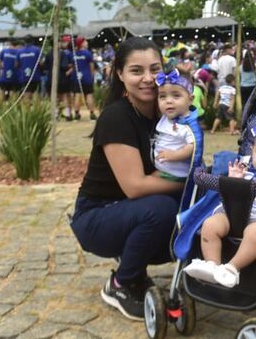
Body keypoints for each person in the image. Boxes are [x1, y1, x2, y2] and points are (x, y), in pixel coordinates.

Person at [70, 37, 183, 321]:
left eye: (155, 69)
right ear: (119, 74)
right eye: (136, 71)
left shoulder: (166, 115)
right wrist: (189, 180)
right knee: (164, 209)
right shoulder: (116, 117)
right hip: (98, 214)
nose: (148, 79)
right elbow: (135, 187)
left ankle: (141, 265)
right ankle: (120, 284)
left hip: (131, 210)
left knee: (198, 207)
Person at [184, 121, 256, 288]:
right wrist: (233, 180)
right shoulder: (244, 172)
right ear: (252, 152)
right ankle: (212, 265)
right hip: (232, 214)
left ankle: (232, 268)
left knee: (255, 234)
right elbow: (228, 195)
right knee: (210, 225)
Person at [152, 70, 202, 183]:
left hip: (177, 174)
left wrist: (174, 155)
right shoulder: (166, 117)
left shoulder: (188, 125)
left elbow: (192, 146)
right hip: (163, 168)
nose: (168, 101)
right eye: (162, 97)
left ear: (190, 99)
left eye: (176, 96)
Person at [71, 37, 97, 120]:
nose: (86, 42)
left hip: (77, 78)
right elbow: (91, 67)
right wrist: (92, 77)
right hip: (87, 78)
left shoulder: (74, 54)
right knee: (89, 95)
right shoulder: (88, 53)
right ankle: (92, 114)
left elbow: (73, 67)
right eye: (85, 41)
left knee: (77, 95)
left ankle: (76, 114)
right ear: (81, 43)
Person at [16, 38, 42, 103]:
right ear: (32, 41)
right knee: (36, 94)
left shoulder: (19, 51)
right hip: (35, 76)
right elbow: (40, 63)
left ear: (24, 42)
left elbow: (16, 64)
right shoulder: (37, 49)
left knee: (26, 94)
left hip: (24, 77)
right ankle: (37, 111)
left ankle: (27, 112)